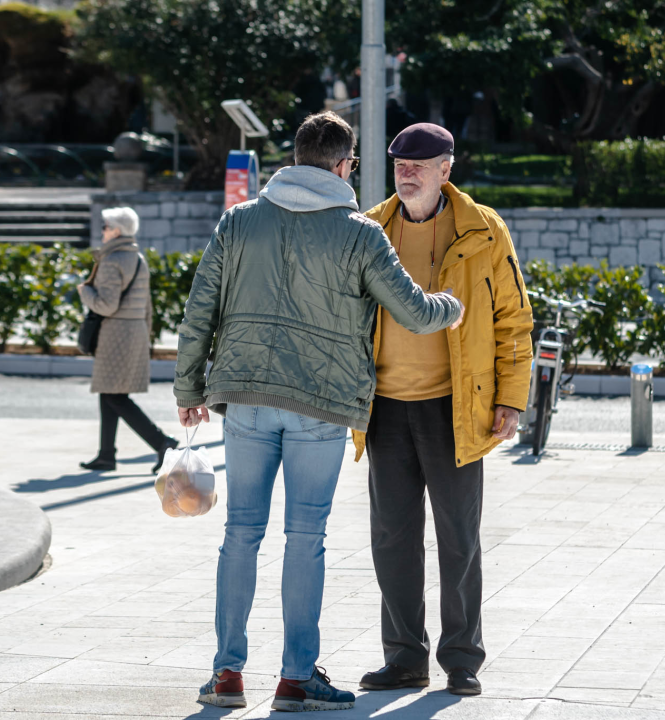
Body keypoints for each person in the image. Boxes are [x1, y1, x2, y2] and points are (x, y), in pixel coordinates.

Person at [173, 111, 464, 712]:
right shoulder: (359, 233)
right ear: (343, 165)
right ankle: (295, 678)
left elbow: (198, 310)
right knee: (305, 536)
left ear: (295, 157)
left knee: (240, 535)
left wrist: (188, 390)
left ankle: (227, 675)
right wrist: (453, 305)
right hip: (321, 406)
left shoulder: (239, 222)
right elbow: (412, 311)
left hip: (246, 398)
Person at [353, 123, 534, 696]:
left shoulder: (484, 229)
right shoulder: (370, 227)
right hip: (383, 407)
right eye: (401, 164)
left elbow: (514, 318)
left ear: (445, 169)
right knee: (391, 539)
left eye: (420, 163)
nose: (408, 172)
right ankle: (405, 657)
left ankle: (462, 659)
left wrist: (511, 396)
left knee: (459, 536)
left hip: (456, 406)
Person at [79, 207, 178, 474]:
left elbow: (106, 305)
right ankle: (106, 455)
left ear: (117, 230)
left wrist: (85, 292)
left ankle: (163, 443)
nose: (102, 231)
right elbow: (147, 307)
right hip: (134, 332)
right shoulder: (138, 258)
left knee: (115, 395)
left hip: (115, 333)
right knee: (110, 392)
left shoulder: (112, 260)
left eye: (105, 226)